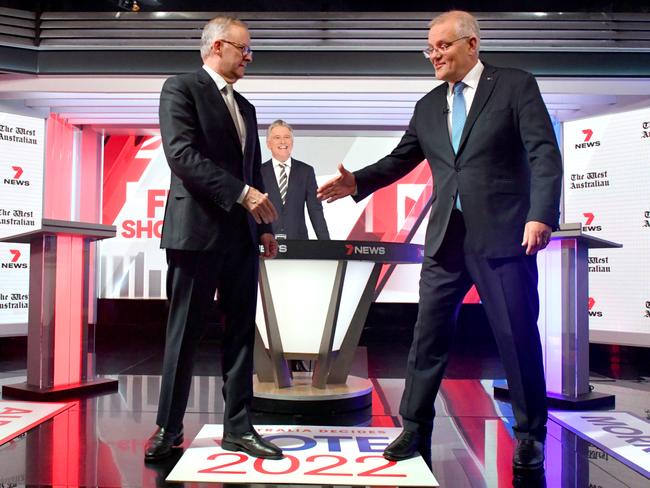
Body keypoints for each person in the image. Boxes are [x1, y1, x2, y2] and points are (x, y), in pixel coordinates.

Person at [317, 10, 562, 472]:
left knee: (517, 338)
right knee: (426, 337)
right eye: (429, 48)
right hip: (446, 240)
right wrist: (358, 183)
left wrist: (540, 214)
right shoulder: (430, 105)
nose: (434, 55)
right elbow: (401, 159)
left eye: (443, 46)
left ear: (471, 45)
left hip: (505, 237)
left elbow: (544, 153)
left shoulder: (514, 86)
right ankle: (413, 427)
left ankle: (530, 434)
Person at [145, 16, 283, 463]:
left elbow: (253, 172)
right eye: (244, 48)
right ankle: (168, 428)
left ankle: (239, 428)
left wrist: (263, 226)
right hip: (196, 234)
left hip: (241, 238)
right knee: (183, 335)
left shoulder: (246, 107)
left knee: (241, 335)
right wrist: (242, 194)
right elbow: (181, 155)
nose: (249, 57)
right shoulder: (180, 88)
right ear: (218, 46)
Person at [262, 119, 330, 241]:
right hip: (265, 243)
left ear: (292, 142)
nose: (283, 141)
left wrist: (327, 245)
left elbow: (315, 210)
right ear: (268, 144)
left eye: (287, 137)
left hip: (299, 243)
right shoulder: (257, 172)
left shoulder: (306, 171)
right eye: (277, 137)